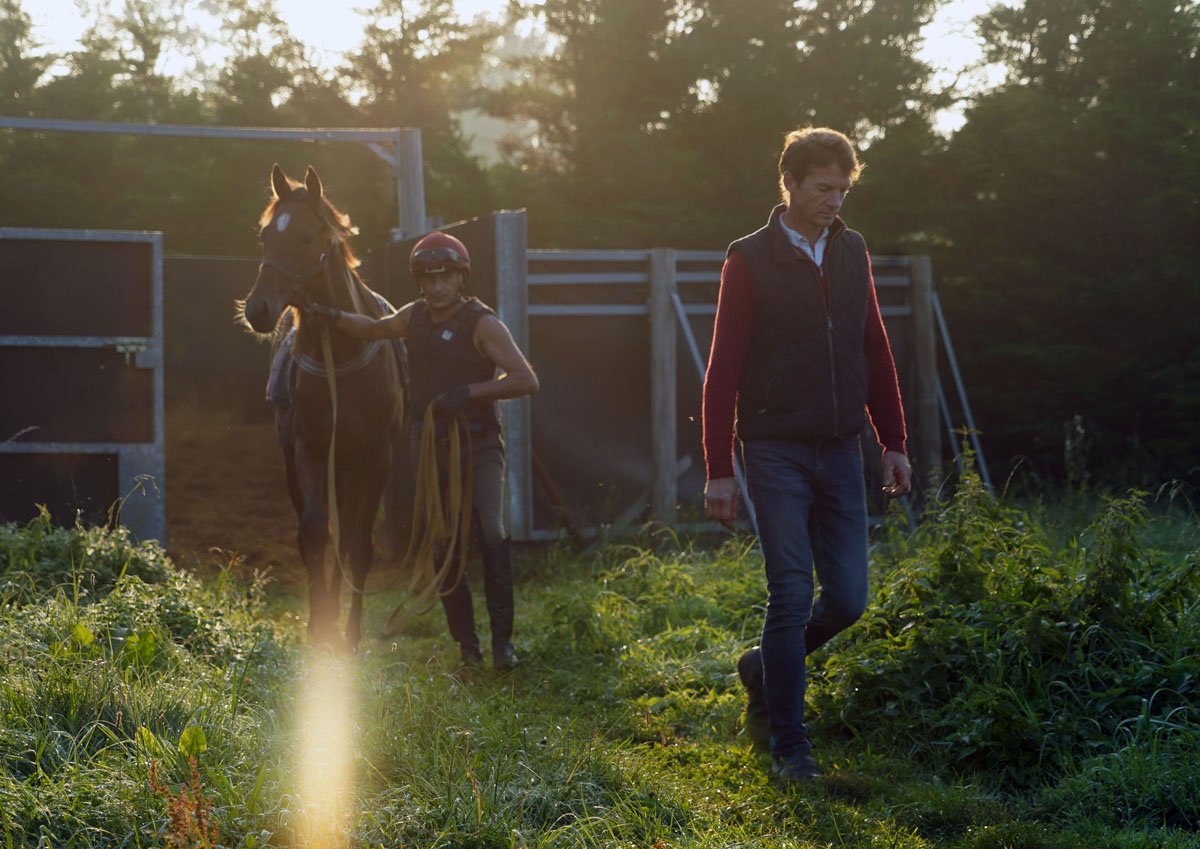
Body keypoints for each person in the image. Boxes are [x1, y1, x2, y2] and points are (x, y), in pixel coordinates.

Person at [701, 127, 911, 781]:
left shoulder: (853, 250)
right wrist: (718, 469)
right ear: (789, 183)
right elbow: (722, 369)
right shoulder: (748, 259)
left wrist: (894, 441)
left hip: (843, 448)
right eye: (823, 188)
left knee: (848, 599)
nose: (835, 201)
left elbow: (874, 347)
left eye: (843, 189)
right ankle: (790, 745)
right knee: (790, 593)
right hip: (774, 449)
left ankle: (763, 667)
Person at [308, 231, 539, 670]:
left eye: (445, 277)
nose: (437, 286)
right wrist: (331, 315)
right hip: (430, 445)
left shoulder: (482, 323)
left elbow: (526, 379)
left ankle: (503, 644)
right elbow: (373, 328)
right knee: (443, 542)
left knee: (492, 531)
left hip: (479, 444)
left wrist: (469, 392)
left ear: (461, 277)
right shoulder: (412, 317)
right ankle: (467, 646)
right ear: (419, 281)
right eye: (429, 278)